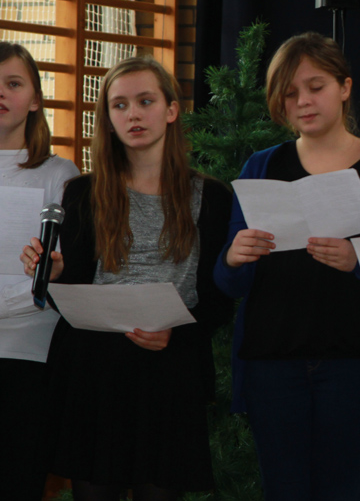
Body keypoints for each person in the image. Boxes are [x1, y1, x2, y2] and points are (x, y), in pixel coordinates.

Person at [21, 57, 232, 501]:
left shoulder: (211, 196)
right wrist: (54, 277)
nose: (133, 114)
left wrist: (175, 334)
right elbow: (73, 298)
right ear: (108, 118)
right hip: (96, 375)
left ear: (171, 110)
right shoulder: (84, 192)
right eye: (119, 105)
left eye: (145, 101)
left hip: (170, 374)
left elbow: (218, 297)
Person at [214, 32, 360, 501]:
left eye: (316, 87)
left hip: (356, 361)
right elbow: (228, 282)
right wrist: (234, 256)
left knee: (344, 491)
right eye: (290, 93)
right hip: (273, 363)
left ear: (345, 87)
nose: (303, 102)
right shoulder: (262, 165)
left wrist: (357, 261)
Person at [0, 43, 79, 500]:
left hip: (28, 351)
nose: (1, 93)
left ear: (34, 99)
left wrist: (45, 277)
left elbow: (63, 265)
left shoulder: (58, 173)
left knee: (18, 482)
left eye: (13, 83)